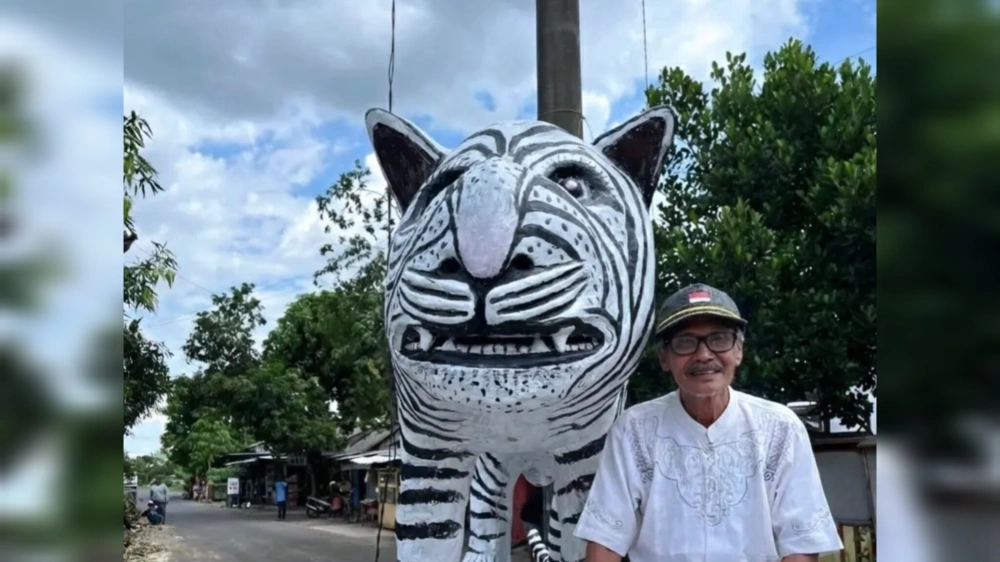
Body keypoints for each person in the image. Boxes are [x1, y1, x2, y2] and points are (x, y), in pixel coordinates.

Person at [574, 283, 844, 562]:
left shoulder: (779, 428)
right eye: (685, 342)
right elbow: (605, 542)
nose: (703, 355)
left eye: (719, 339)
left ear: (738, 350)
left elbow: (800, 542)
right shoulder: (634, 430)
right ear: (664, 358)